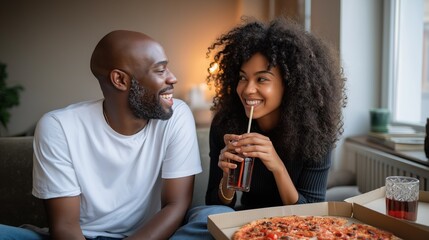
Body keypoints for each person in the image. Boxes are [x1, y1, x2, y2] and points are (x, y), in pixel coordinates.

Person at [0, 30, 204, 239]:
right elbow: (65, 227)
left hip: (151, 237)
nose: (173, 78)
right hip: (81, 237)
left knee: (210, 218)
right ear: (120, 80)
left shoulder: (177, 114)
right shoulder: (58, 127)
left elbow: (176, 205)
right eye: (160, 70)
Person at [205, 17, 347, 210]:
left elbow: (311, 212)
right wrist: (227, 177)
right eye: (242, 78)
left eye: (262, 79)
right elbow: (214, 206)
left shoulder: (316, 133)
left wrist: (277, 166)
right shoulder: (225, 125)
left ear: (290, 84)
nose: (247, 90)